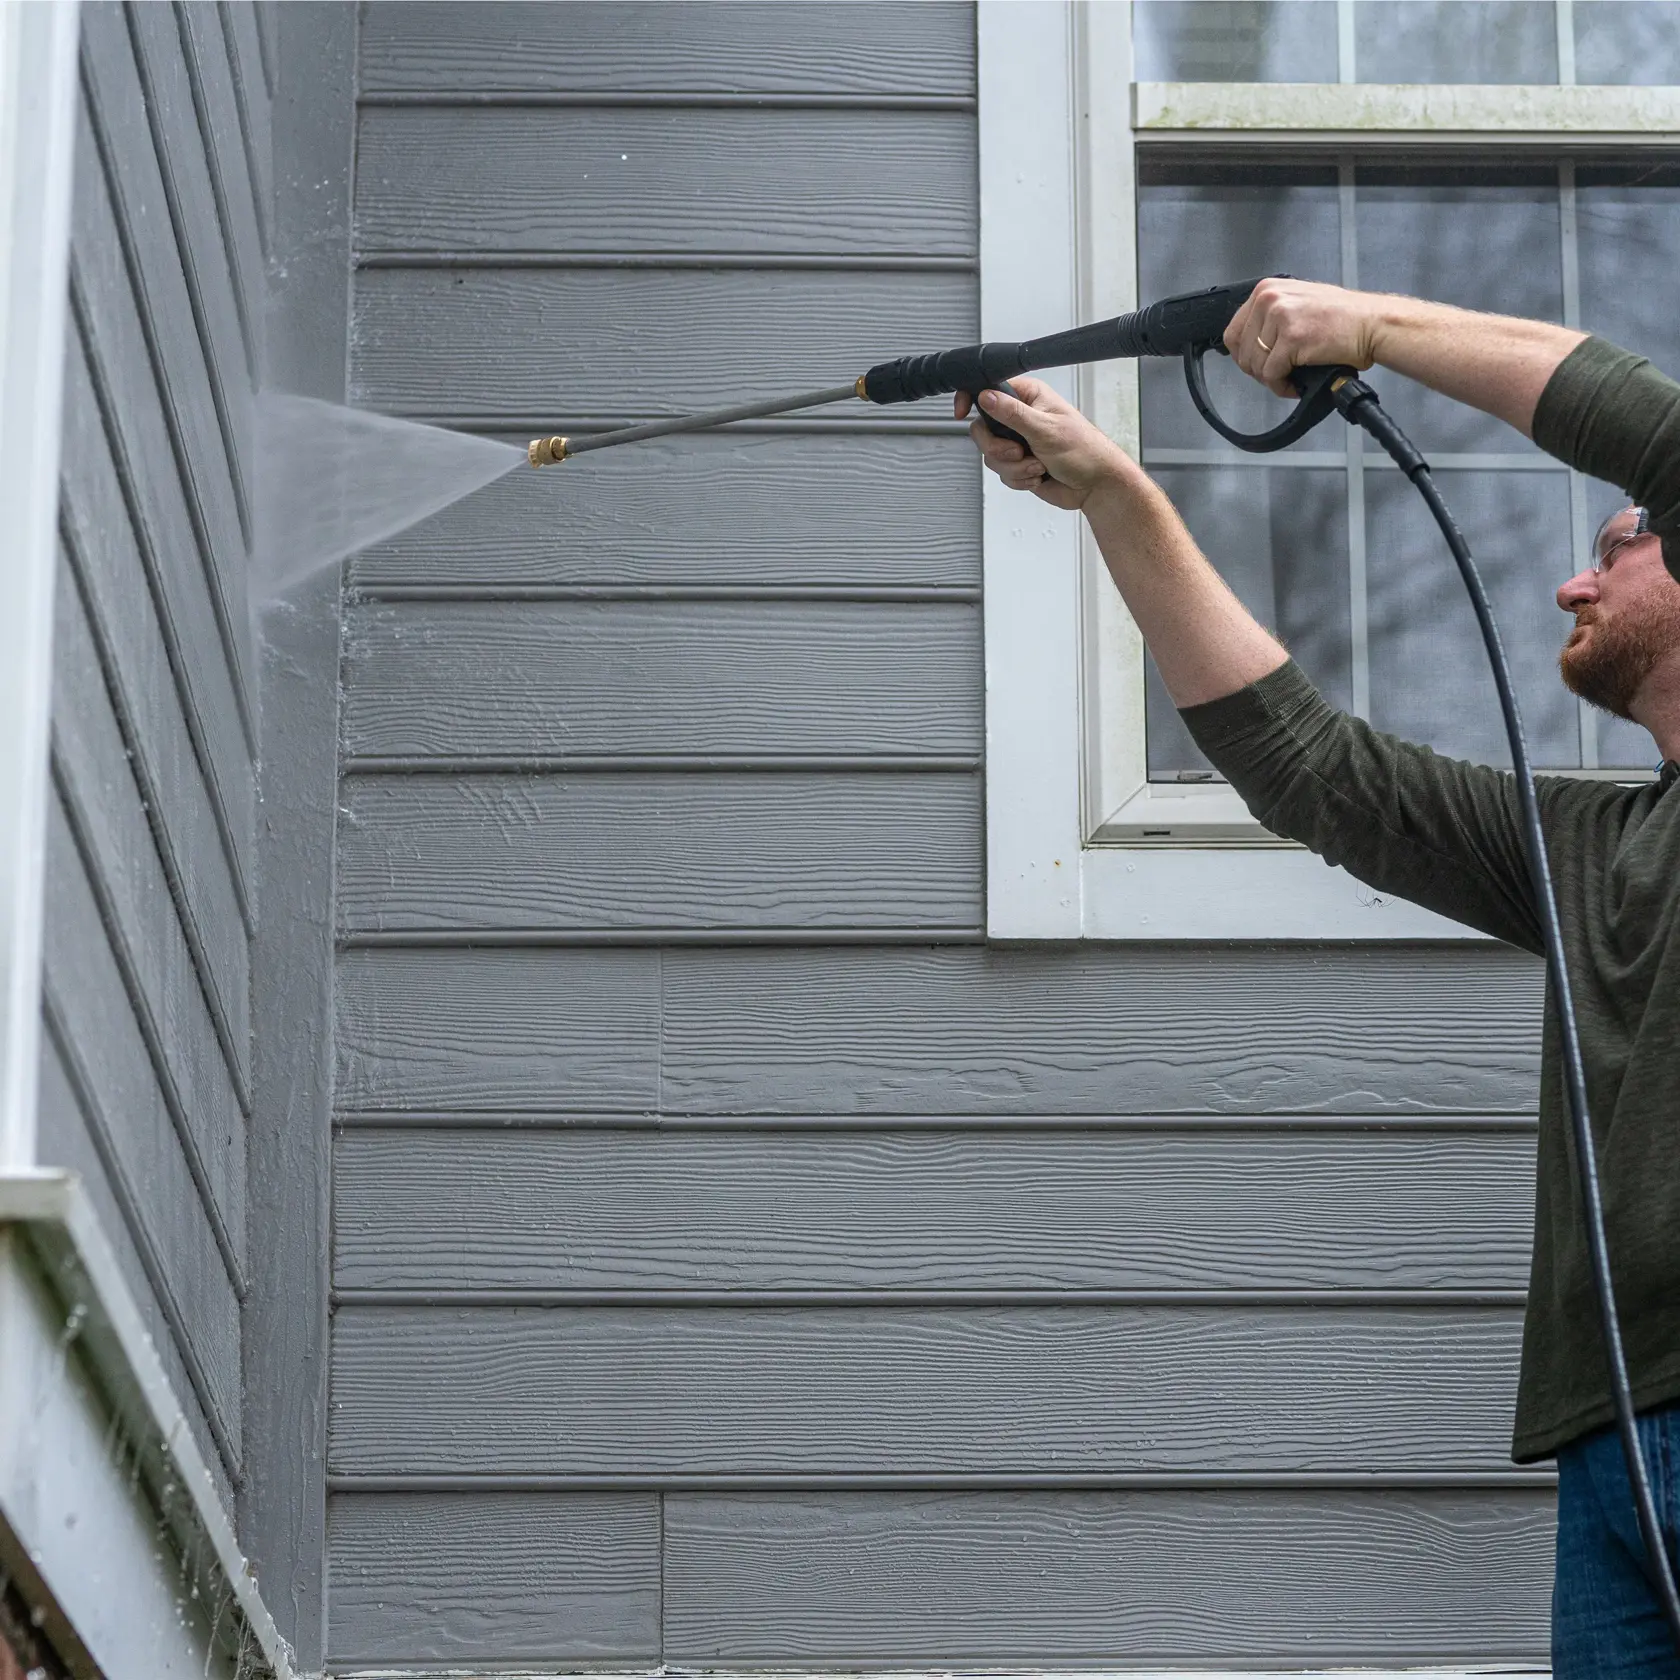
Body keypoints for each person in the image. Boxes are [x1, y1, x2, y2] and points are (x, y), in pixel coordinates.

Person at [960, 278, 1680, 1679]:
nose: (1571, 581)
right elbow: (1313, 769)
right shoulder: (1594, 847)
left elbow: (1662, 432)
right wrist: (1117, 496)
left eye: (1618, 546)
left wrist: (1368, 326)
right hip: (1613, 1436)